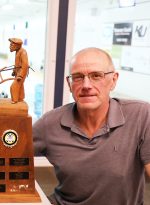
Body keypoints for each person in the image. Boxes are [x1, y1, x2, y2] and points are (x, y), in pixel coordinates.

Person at [33, 47, 150, 205]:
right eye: (78, 77)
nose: (86, 85)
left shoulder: (141, 115)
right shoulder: (50, 123)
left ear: (113, 80)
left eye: (96, 76)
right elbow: (8, 153)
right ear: (69, 83)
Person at [8, 38, 29, 103]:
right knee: (20, 85)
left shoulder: (23, 52)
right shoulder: (18, 51)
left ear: (17, 45)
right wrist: (14, 71)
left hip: (21, 73)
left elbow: (25, 65)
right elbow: (17, 63)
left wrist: (20, 75)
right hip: (18, 72)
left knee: (14, 87)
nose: (10, 47)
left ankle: (15, 100)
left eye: (12, 45)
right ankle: (20, 97)